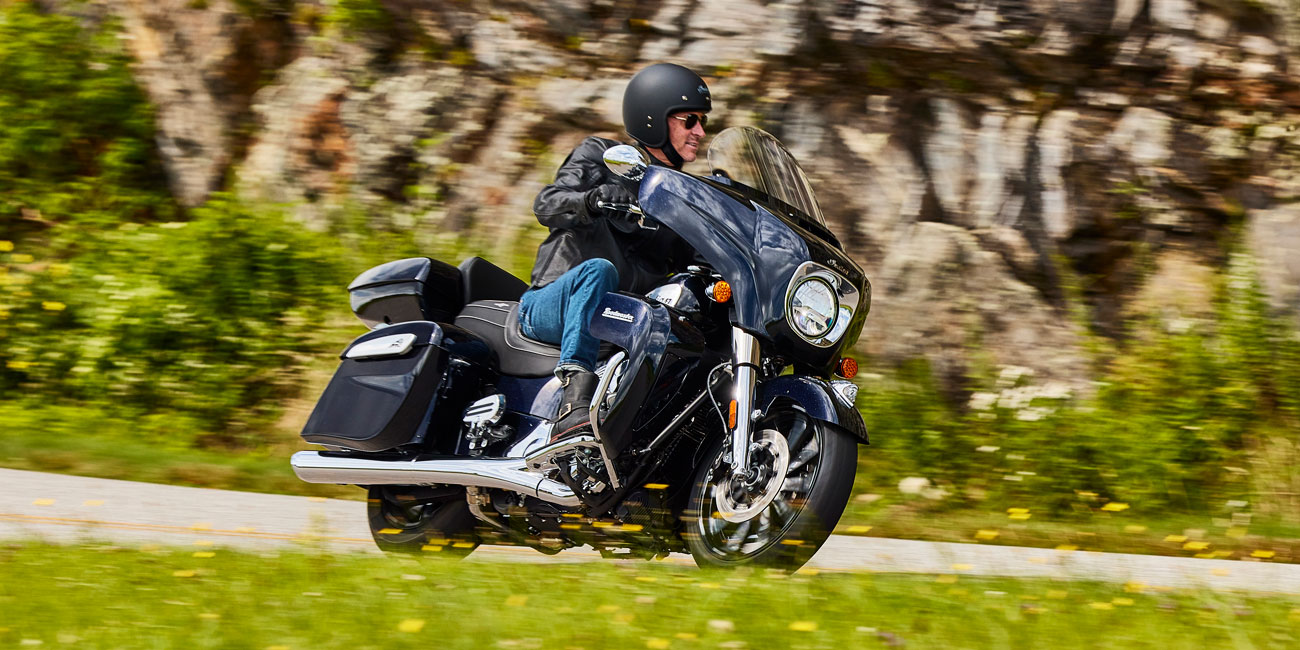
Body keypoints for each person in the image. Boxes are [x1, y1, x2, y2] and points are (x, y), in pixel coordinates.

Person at [519, 62, 712, 444]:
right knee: (599, 271)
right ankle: (573, 403)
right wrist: (591, 200)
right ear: (653, 118)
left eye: (702, 122)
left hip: (623, 320)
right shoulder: (600, 155)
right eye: (690, 120)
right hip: (553, 302)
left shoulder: (682, 196)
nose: (700, 132)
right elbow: (547, 204)